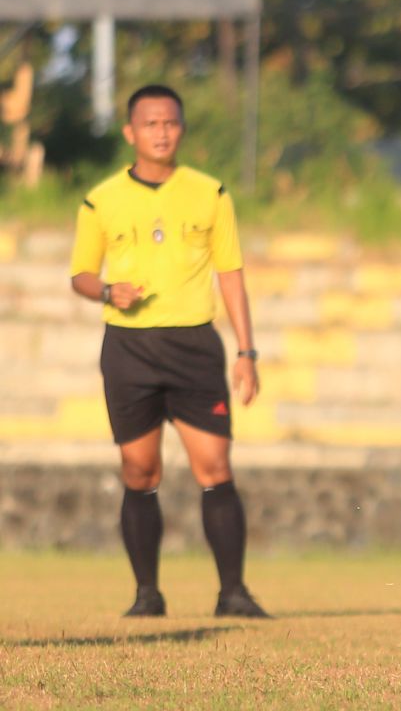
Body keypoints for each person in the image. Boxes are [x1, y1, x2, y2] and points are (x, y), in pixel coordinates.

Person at [69, 84, 269, 619]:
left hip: (193, 345)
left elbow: (231, 274)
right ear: (130, 132)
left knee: (215, 466)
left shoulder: (210, 193)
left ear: (182, 129)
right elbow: (81, 276)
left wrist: (246, 351)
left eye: (171, 123)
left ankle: (233, 594)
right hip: (129, 349)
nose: (161, 132)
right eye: (150, 124)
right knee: (140, 472)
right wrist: (110, 291)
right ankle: (147, 595)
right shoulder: (102, 199)